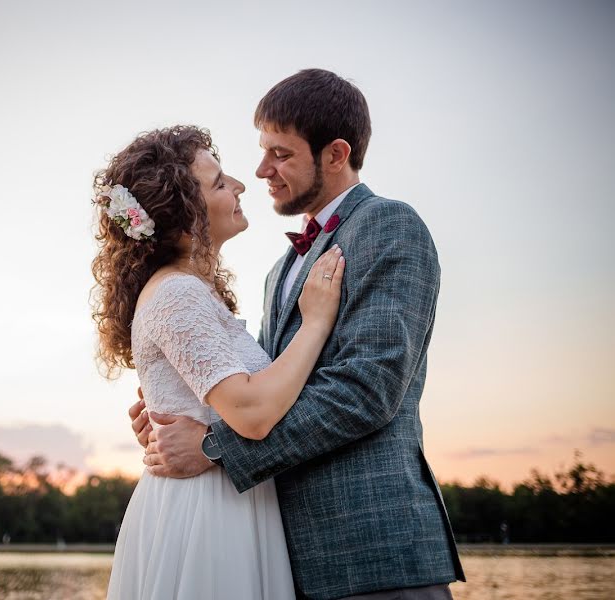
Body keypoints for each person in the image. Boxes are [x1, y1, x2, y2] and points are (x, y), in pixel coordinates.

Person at [129, 69, 466, 599]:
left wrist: (214, 447)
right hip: (283, 555)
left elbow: (366, 390)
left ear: (335, 154)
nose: (261, 170)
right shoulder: (280, 269)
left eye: (281, 154)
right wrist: (180, 413)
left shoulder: (389, 225)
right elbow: (269, 387)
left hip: (373, 549)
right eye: (263, 151)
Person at [91, 125, 347, 599]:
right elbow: (250, 412)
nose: (240, 185)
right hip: (206, 516)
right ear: (187, 219)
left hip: (225, 501)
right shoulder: (177, 294)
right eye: (220, 182)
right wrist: (315, 324)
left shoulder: (191, 293)